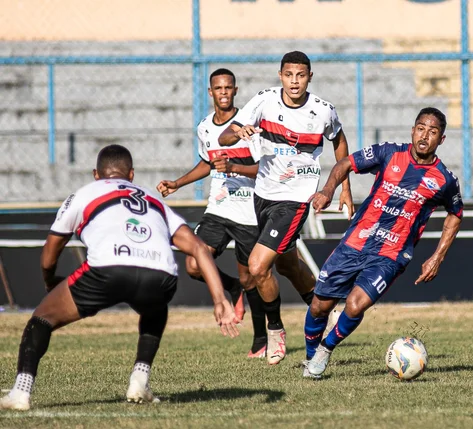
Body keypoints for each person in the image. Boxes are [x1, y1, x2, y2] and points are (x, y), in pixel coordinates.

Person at [0, 145, 239, 411]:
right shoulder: (153, 198)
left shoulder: (83, 194)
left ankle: (20, 392)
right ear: (132, 174)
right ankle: (140, 378)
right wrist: (220, 299)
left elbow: (49, 255)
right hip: (160, 273)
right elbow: (197, 247)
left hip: (108, 268)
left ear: (96, 174)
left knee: (41, 319)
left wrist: (49, 282)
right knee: (155, 309)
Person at [302, 107, 464, 378]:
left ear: (442, 139)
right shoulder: (389, 153)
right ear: (412, 130)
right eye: (421, 128)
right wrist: (329, 190)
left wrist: (438, 256)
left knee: (355, 304)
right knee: (319, 305)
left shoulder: (444, 180)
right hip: (356, 242)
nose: (425, 136)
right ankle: (310, 358)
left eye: (433, 132)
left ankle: (325, 350)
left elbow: (456, 215)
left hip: (392, 253)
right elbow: (345, 164)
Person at [219, 51, 354, 365]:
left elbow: (340, 141)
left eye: (301, 75)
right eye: (289, 75)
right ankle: (326, 310)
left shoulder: (323, 111)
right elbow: (227, 135)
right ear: (280, 75)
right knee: (287, 266)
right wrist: (237, 132)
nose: (295, 82)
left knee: (257, 267)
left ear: (310, 76)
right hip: (263, 194)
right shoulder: (264, 101)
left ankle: (275, 331)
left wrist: (344, 187)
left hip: (295, 199)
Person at [157, 68, 269, 358]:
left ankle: (260, 339)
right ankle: (230, 287)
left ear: (235, 90)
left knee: (251, 279)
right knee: (194, 263)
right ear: (211, 92)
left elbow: (265, 170)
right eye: (218, 88)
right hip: (218, 209)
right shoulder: (205, 128)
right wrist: (178, 183)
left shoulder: (248, 127)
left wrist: (233, 167)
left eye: (228, 88)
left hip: (248, 212)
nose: (223, 93)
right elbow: (207, 163)